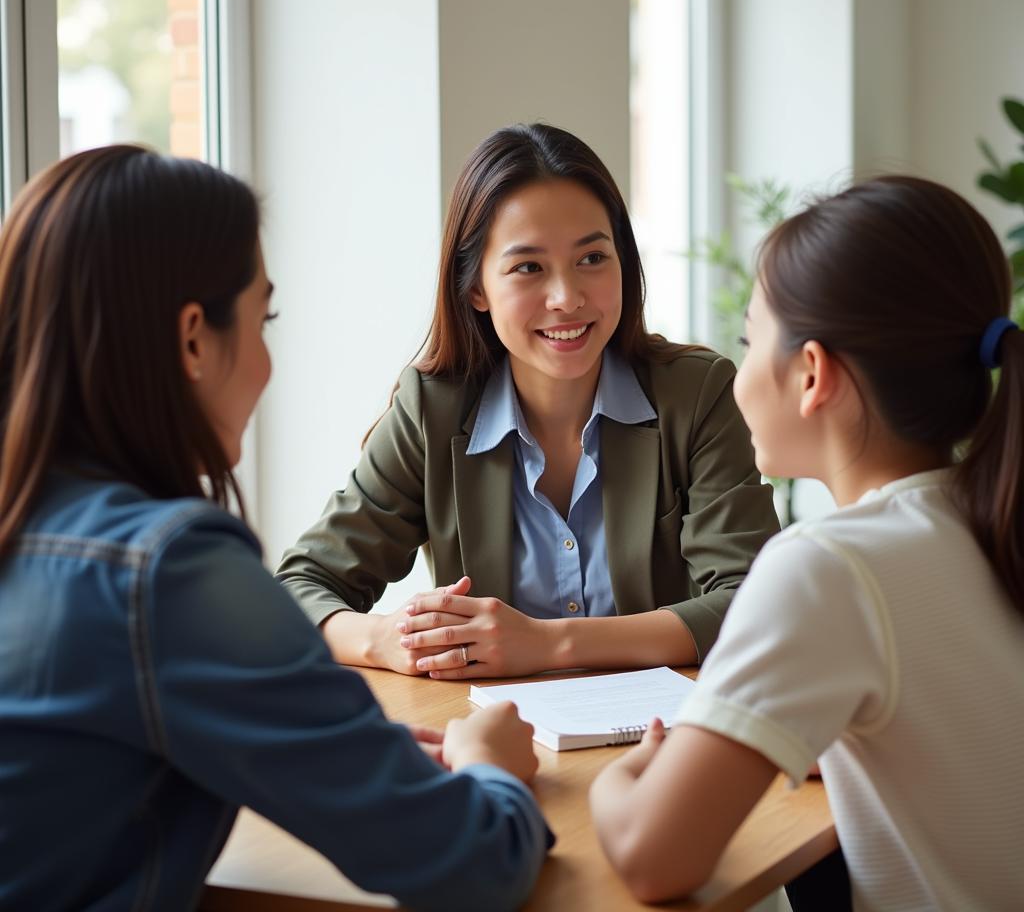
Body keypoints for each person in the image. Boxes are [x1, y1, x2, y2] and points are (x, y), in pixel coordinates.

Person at [0, 145, 552, 912]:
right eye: (265, 319)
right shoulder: (166, 572)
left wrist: (348, 746)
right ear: (194, 338)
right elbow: (474, 863)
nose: (266, 362)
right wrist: (490, 763)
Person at [589, 175, 1024, 910]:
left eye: (750, 340)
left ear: (813, 373)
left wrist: (623, 774)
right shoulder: (988, 521)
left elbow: (649, 857)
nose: (738, 377)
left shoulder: (829, 569)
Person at [276, 123, 779, 679]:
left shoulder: (697, 393)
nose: (567, 297)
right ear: (476, 288)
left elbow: (753, 605)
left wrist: (549, 644)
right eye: (528, 268)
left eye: (592, 258)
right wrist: (384, 640)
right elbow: (300, 587)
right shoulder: (432, 411)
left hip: (665, 741)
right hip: (496, 739)